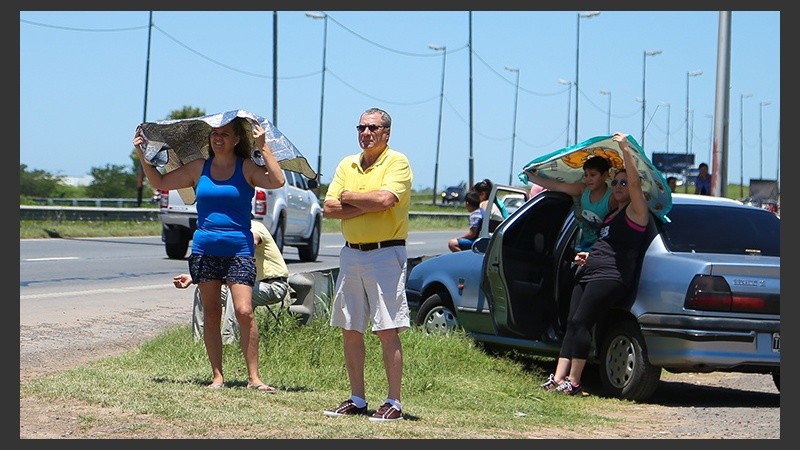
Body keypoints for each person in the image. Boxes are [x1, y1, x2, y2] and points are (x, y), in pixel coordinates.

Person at [133, 117, 285, 392]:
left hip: (239, 249)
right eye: (215, 134)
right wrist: (143, 156)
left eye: (225, 134)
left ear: (237, 139)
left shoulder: (246, 167)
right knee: (212, 313)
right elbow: (160, 181)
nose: (218, 138)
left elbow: (277, 180)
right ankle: (217, 376)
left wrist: (263, 147)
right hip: (205, 249)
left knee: (244, 310)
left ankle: (255, 378)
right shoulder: (198, 168)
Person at [540, 132, 651, 396]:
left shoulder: (637, 212)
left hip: (611, 276)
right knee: (572, 323)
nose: (620, 185)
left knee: (582, 322)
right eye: (616, 182)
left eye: (624, 182)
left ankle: (574, 382)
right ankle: (558, 378)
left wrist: (624, 148)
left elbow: (635, 184)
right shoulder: (613, 214)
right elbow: (608, 243)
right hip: (591, 269)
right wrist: (587, 257)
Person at [322, 107, 413, 422]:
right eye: (360, 127)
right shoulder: (347, 164)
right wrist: (364, 202)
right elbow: (329, 208)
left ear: (386, 132)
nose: (366, 133)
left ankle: (394, 402)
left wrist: (349, 197)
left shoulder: (397, 162)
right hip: (351, 253)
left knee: (387, 328)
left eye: (372, 128)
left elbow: (386, 201)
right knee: (350, 327)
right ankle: (357, 398)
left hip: (385, 254)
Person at [172, 219, 291, 344]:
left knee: (235, 293)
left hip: (273, 285)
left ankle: (228, 342)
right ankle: (200, 342)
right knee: (202, 291)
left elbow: (251, 243)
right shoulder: (228, 234)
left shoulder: (253, 226)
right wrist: (194, 277)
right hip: (248, 284)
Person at [524, 155, 618, 251]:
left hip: (602, 247)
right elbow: (558, 186)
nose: (588, 179)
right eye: (586, 175)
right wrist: (532, 178)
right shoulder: (583, 189)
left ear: (605, 175)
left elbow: (616, 228)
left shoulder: (612, 198)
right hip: (583, 244)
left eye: (593, 175)